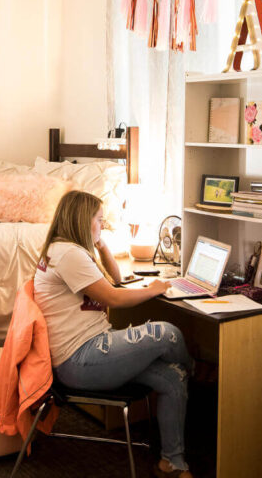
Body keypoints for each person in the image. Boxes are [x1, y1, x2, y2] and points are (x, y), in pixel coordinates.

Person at [33, 190, 195, 478]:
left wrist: (99, 242)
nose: (103, 224)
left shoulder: (68, 249)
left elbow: (117, 279)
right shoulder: (68, 254)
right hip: (81, 359)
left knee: (173, 378)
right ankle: (198, 370)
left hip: (91, 351)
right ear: (82, 220)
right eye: (99, 219)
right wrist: (153, 289)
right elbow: (115, 298)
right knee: (167, 333)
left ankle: (172, 461)